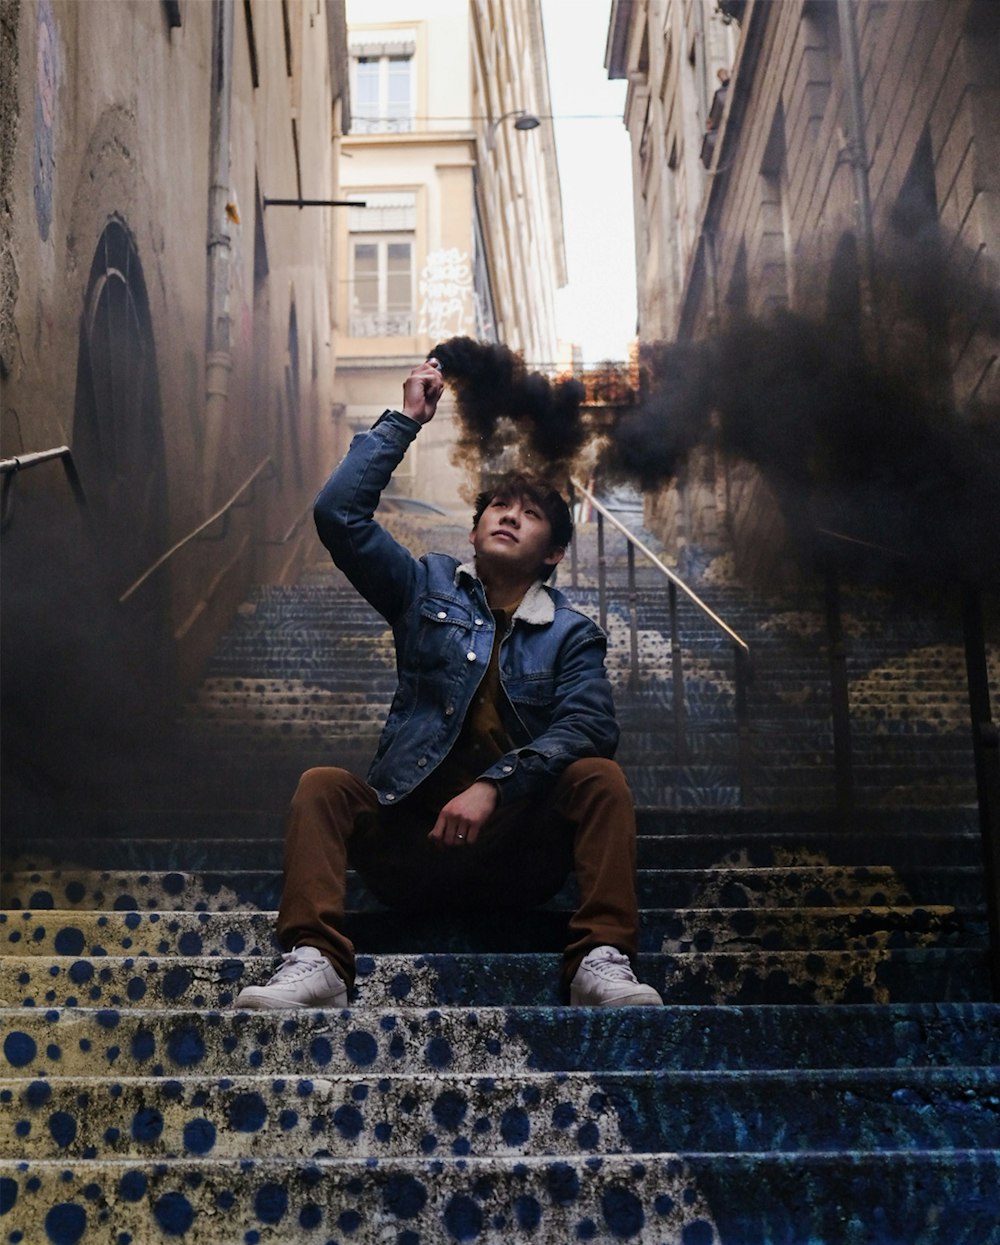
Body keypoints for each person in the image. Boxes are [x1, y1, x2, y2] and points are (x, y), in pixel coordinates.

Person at [235, 359, 662, 1010]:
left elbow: (590, 725)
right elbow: (338, 515)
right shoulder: (425, 587)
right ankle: (316, 958)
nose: (509, 515)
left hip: (519, 855)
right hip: (411, 848)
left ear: (553, 552)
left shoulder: (572, 633)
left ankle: (600, 960)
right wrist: (407, 419)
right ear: (473, 531)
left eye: (531, 512)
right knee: (323, 786)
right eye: (497, 505)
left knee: (600, 776)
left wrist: (494, 786)